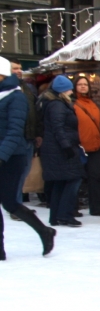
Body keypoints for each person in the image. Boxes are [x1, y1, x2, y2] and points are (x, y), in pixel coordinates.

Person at [0, 55, 53, 258]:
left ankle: (44, 231)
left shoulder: (17, 97)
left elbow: (15, 131)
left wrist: (2, 156)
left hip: (14, 156)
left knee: (10, 203)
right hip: (4, 153)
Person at [40, 75, 84, 228]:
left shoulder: (55, 103)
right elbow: (58, 128)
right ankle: (65, 215)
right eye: (69, 88)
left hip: (57, 148)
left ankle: (56, 216)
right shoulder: (58, 105)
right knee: (74, 179)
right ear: (62, 90)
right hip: (60, 149)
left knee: (60, 182)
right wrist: (66, 146)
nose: (72, 91)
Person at [73, 75, 100, 217]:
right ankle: (72, 207)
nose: (83, 87)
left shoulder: (93, 104)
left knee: (95, 177)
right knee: (75, 178)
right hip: (79, 147)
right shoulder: (72, 104)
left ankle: (97, 207)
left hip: (95, 146)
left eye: (85, 84)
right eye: (80, 84)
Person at [10, 61, 39, 209]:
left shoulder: (26, 88)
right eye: (15, 68)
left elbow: (32, 111)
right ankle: (15, 206)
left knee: (24, 173)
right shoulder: (7, 90)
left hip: (28, 137)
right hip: (15, 138)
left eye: (20, 68)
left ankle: (17, 204)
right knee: (16, 174)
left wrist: (37, 134)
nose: (19, 71)